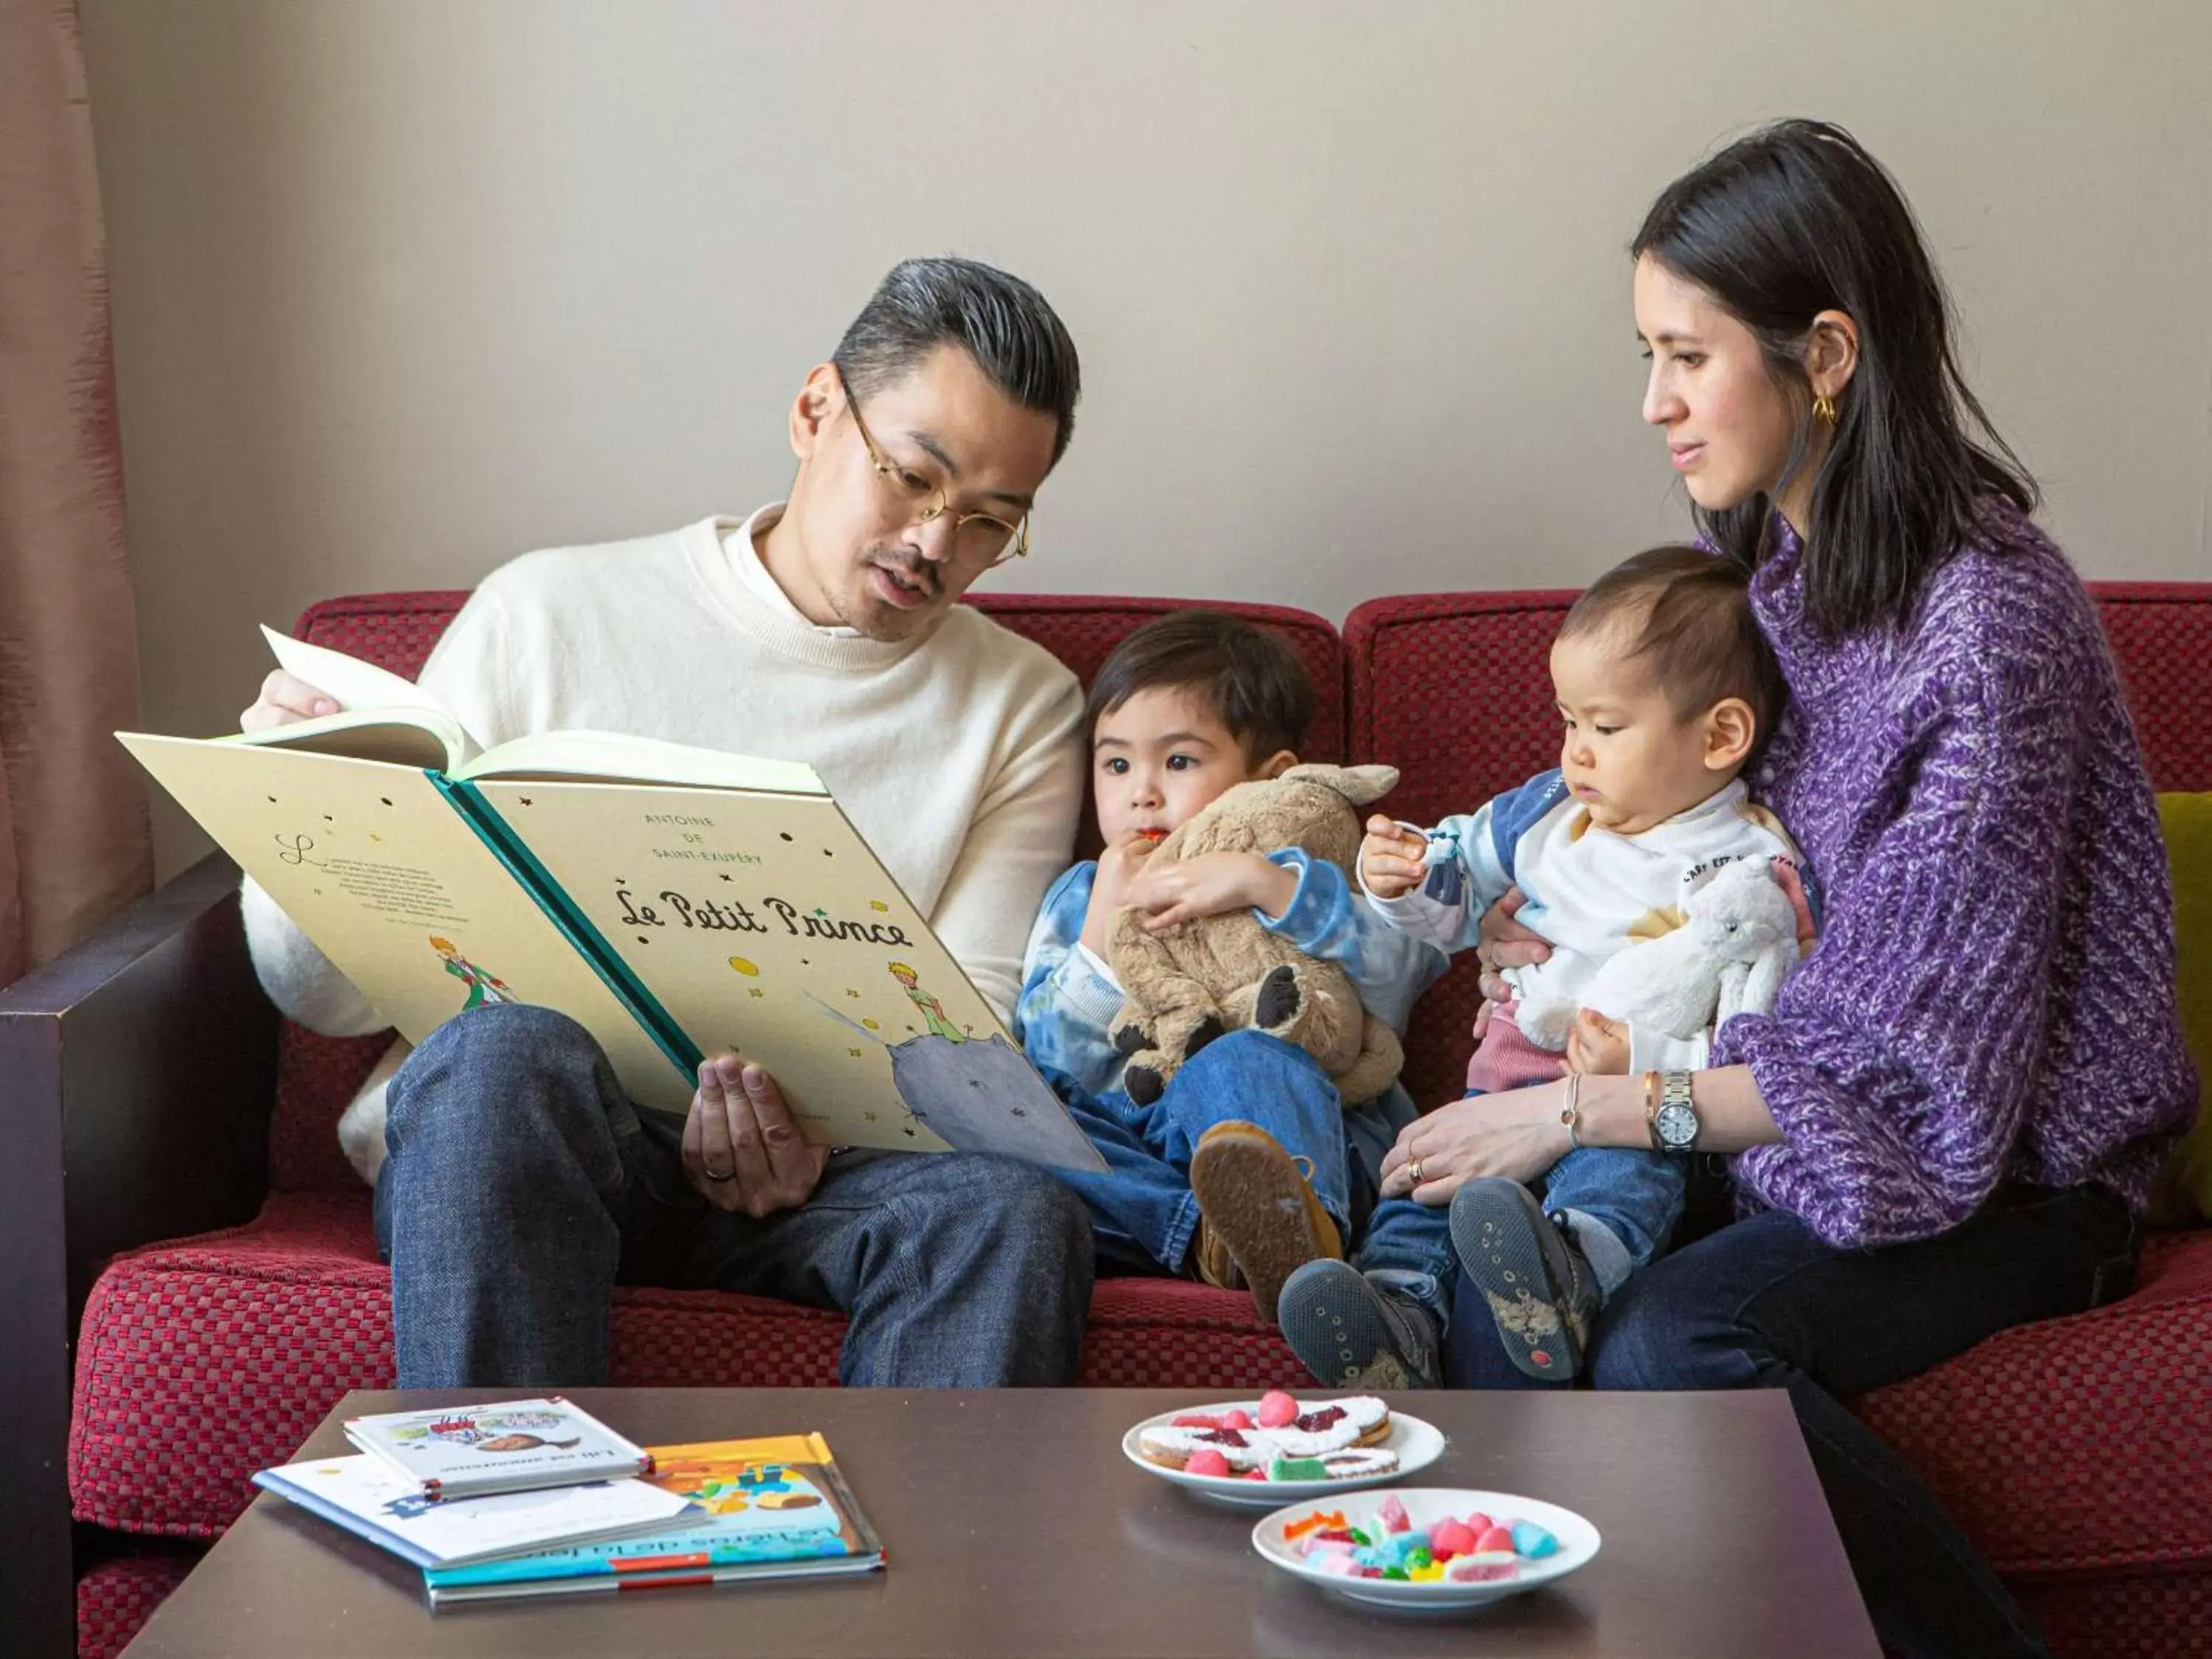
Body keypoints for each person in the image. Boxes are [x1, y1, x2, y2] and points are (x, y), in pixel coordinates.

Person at [1384, 120, 2198, 1658]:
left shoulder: (1988, 632)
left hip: (2024, 1172)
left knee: (1675, 1347)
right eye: (1646, 352)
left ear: (1824, 354)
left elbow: (1910, 1074)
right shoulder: (1766, 574)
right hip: (1780, 1095)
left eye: (1687, 356)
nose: (1654, 403)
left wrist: (1573, 1109)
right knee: (1517, 1290)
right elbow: (1710, 853)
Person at [238, 257, 1102, 1389]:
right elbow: (326, 993)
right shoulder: (548, 612)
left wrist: (816, 1137)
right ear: (814, 411)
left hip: (824, 1179)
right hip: (527, 1143)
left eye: (991, 522)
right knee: (504, 1051)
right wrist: (308, 808)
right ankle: (507, 1527)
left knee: (1014, 1213)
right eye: (912, 479)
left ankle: (925, 1569)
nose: (937, 547)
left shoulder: (1021, 704)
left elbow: (972, 1035)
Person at [1357, 545, 1811, 1380]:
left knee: (1619, 1175)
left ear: (1721, 735)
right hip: (1501, 1080)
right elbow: (1450, 905)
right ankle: (1392, 1313)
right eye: (1569, 721)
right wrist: (1403, 880)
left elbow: (1763, 1032)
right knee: (1422, 1179)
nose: (1576, 752)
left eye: (1606, 727)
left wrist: (1644, 1061)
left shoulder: (1748, 867)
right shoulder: (1543, 815)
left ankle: (1570, 1277)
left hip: (1628, 1103)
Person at [1010, 611, 1455, 1384]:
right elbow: (1058, 1053)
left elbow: (1407, 965)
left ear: (1268, 777)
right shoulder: (1081, 892)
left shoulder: (1312, 871)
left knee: (1240, 1056)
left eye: (1178, 761)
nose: (1141, 795)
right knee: (1016, 1114)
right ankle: (1217, 1237)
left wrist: (1267, 883)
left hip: (1308, 1143)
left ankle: (1299, 1231)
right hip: (1150, 1157)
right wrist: (1098, 934)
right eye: (1115, 768)